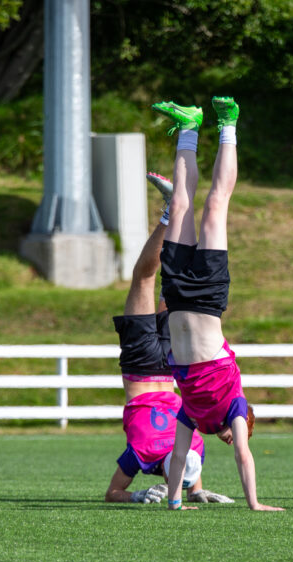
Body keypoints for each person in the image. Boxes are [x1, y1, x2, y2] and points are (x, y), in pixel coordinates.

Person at [152, 96, 283, 512]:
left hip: (176, 294)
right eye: (236, 433)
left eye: (229, 436)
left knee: (179, 205)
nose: (230, 438)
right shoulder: (235, 406)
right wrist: (255, 504)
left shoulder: (193, 412)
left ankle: (189, 127)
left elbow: (177, 455)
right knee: (214, 206)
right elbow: (244, 453)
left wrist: (174, 501)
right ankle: (229, 126)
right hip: (208, 297)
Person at [105, 172, 234, 505]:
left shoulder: (194, 448)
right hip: (143, 370)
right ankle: (171, 211)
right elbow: (112, 493)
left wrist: (198, 490)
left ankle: (179, 210)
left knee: (170, 283)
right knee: (145, 279)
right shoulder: (142, 454)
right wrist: (137, 496)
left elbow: (189, 458)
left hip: (177, 361)